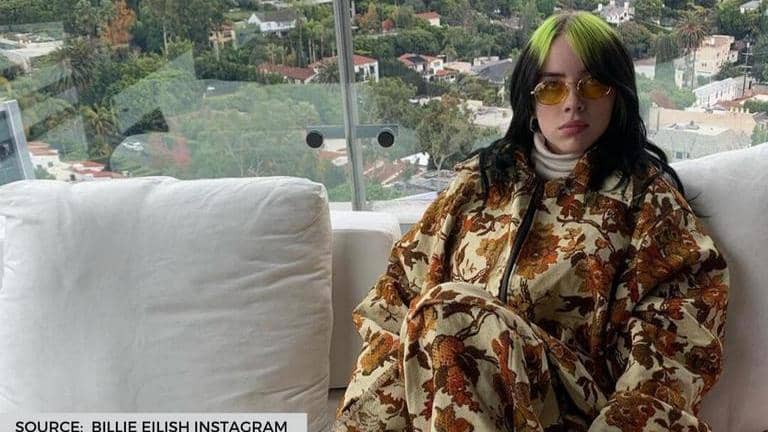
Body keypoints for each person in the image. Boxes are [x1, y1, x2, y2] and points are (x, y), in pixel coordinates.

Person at [333, 11, 729, 432]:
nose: (573, 101)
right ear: (530, 99)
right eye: (552, 87)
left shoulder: (648, 202)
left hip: (577, 413)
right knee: (437, 317)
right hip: (444, 407)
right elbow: (395, 302)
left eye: (593, 84)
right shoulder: (477, 184)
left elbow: (673, 351)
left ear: (618, 94)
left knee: (453, 312)